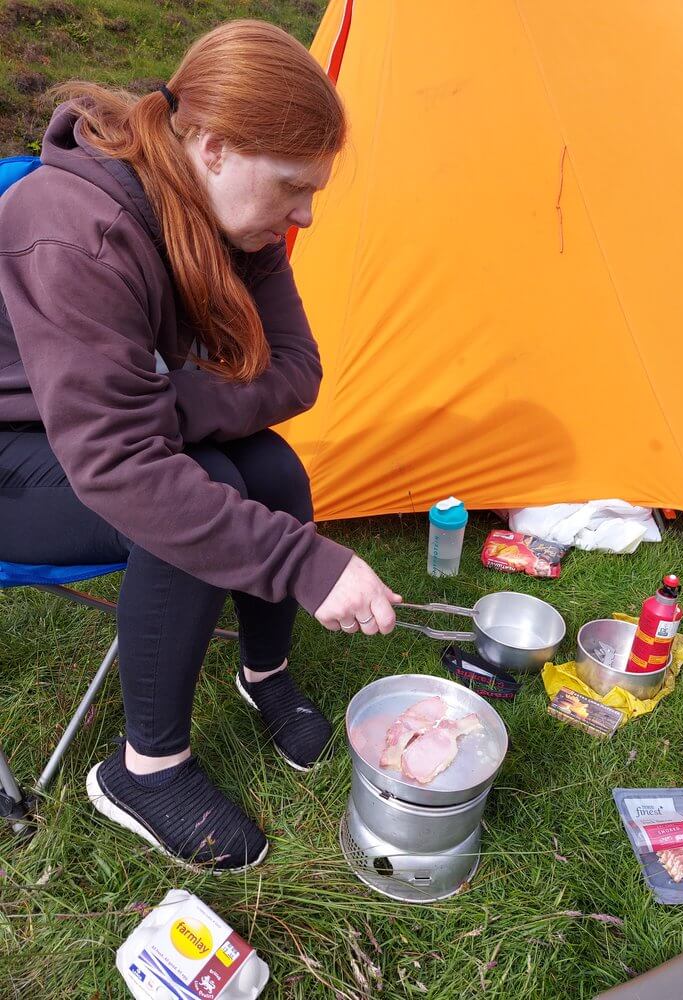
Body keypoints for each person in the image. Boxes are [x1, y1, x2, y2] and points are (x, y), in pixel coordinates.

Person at [0, 19, 401, 872]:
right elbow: (122, 467)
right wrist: (306, 564)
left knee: (271, 467)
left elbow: (297, 371)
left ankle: (264, 671)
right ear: (214, 147)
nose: (307, 215)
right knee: (190, 494)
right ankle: (145, 769)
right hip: (11, 455)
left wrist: (166, 401)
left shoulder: (232, 221)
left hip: (96, 423)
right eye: (294, 185)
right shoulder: (74, 229)